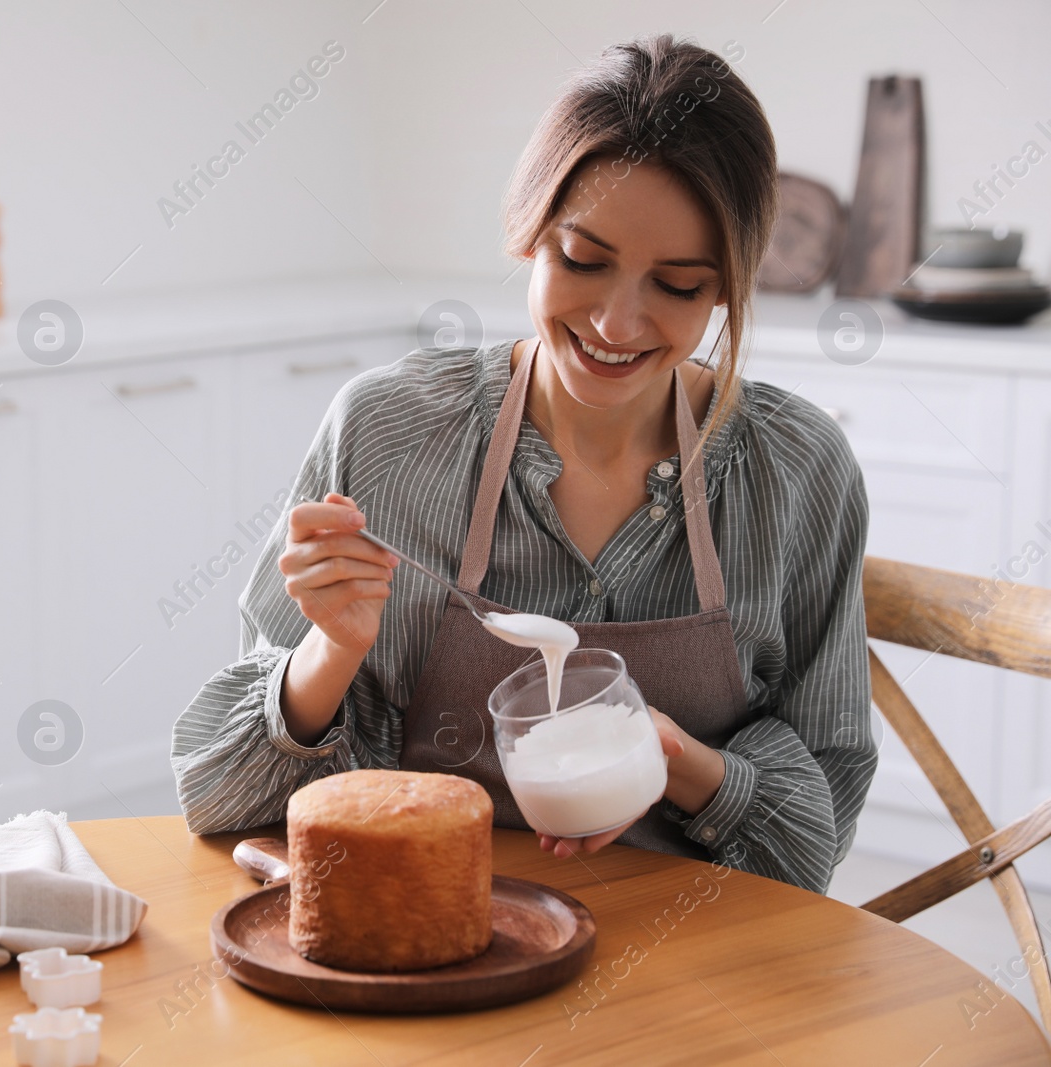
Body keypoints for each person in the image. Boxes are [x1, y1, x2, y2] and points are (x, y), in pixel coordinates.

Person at [170, 34, 875, 894]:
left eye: (678, 285)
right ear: (529, 230)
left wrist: (676, 759)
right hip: (431, 932)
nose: (618, 323)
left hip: (689, 960)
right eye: (584, 260)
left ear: (728, 285)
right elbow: (217, 794)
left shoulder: (798, 472)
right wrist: (331, 650)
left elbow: (815, 841)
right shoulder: (387, 432)